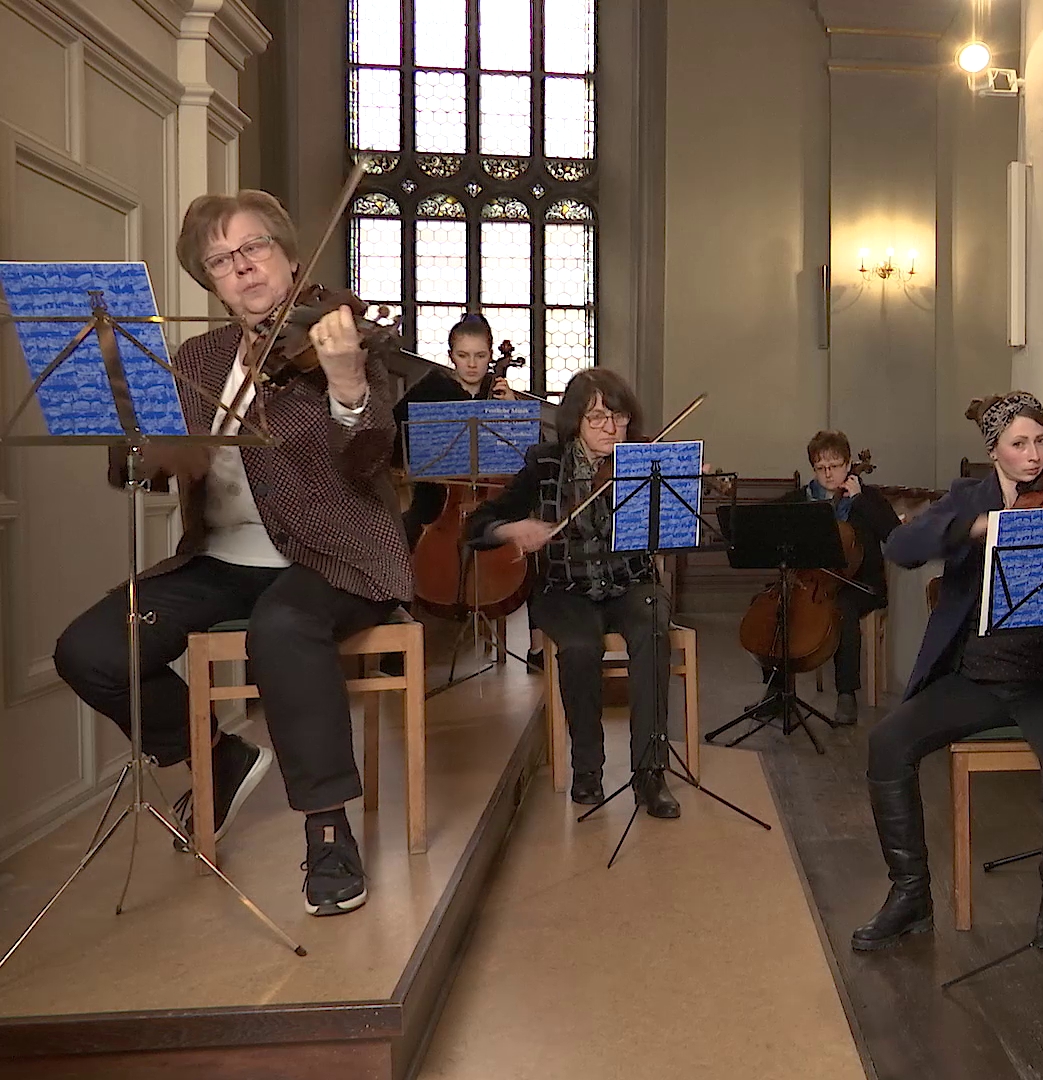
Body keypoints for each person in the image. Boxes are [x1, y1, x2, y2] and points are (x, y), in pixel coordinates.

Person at [53, 190, 409, 917]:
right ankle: (216, 757)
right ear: (210, 280)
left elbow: (368, 461)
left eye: (253, 248)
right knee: (89, 648)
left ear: (285, 255)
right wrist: (126, 416)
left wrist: (343, 384)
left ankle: (327, 830)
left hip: (331, 556)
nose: (242, 267)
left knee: (285, 626)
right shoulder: (198, 357)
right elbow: (146, 470)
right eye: (221, 260)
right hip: (219, 559)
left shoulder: (345, 340)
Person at [851, 392, 1043, 952]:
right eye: (1019, 444)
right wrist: (975, 528)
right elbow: (901, 546)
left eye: (1040, 440)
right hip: (979, 677)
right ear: (993, 449)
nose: (1035, 455)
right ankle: (910, 895)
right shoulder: (969, 498)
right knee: (886, 744)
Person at [465, 369, 679, 817]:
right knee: (579, 649)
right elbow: (477, 526)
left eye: (617, 417)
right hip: (566, 589)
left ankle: (650, 774)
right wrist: (513, 528)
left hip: (631, 583)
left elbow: (671, 528)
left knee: (655, 632)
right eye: (596, 417)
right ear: (575, 422)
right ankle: (587, 769)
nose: (609, 428)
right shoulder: (544, 463)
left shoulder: (643, 463)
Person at [760, 431, 899, 724]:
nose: (828, 474)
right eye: (821, 468)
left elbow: (892, 533)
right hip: (810, 583)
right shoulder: (801, 499)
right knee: (776, 605)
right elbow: (768, 522)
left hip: (860, 584)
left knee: (843, 609)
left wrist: (859, 500)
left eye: (835, 466)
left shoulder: (868, 497)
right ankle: (776, 691)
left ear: (848, 464)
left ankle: (846, 695)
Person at [396, 313, 515, 549]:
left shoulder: (499, 392)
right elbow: (393, 439)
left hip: (489, 510)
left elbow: (530, 452)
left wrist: (512, 409)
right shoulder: (430, 389)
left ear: (491, 356)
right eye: (463, 355)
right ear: (451, 356)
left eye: (480, 356)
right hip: (434, 507)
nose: (472, 364)